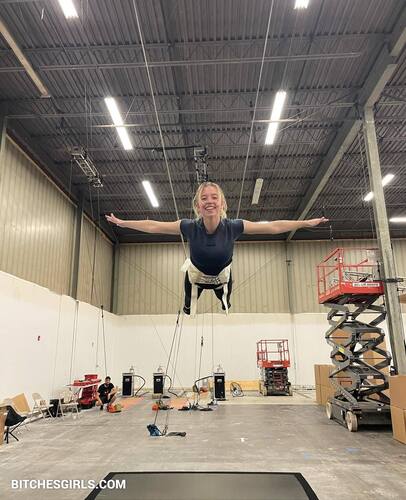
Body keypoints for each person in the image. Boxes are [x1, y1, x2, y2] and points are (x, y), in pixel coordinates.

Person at [106, 181, 327, 315]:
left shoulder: (233, 226)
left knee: (225, 302)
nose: (209, 201)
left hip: (222, 277)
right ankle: (189, 305)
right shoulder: (189, 226)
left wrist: (305, 223)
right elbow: (153, 226)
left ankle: (224, 301)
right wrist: (123, 223)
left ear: (222, 203)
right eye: (204, 198)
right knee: (188, 302)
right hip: (196, 276)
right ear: (198, 205)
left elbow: (272, 227)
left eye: (214, 197)